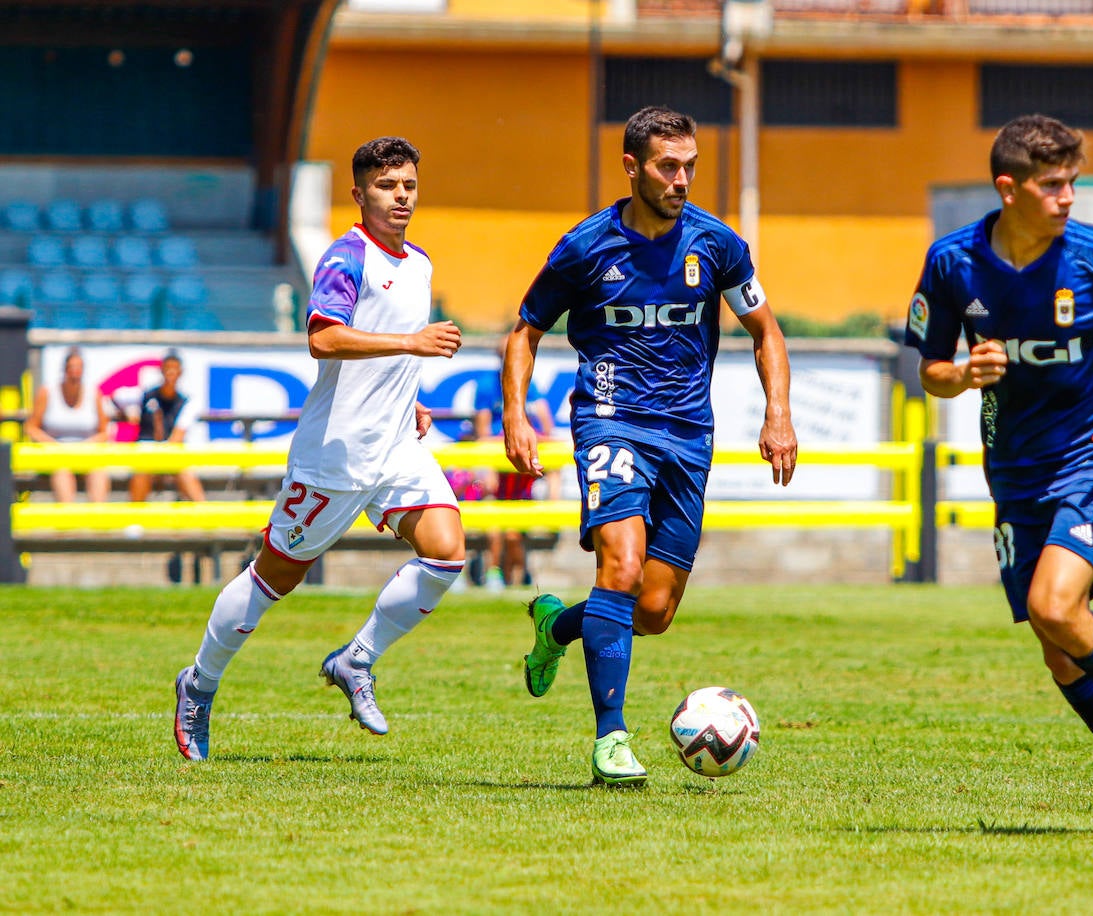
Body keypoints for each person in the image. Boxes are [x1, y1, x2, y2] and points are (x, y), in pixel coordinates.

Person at [904, 114, 1093, 832]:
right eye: (1053, 185)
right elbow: (930, 370)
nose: (1068, 198)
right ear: (1010, 189)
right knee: (1059, 653)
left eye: (1072, 183)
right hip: (1013, 468)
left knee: (1056, 605)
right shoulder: (953, 263)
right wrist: (964, 374)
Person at [502, 105, 797, 786]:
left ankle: (558, 629)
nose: (682, 179)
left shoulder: (717, 244)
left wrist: (777, 414)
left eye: (691, 165)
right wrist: (516, 415)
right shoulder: (584, 247)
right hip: (611, 420)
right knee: (622, 568)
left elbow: (766, 331)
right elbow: (525, 331)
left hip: (689, 434)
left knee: (655, 610)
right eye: (669, 165)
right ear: (632, 166)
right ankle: (611, 740)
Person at [173, 136, 468, 761]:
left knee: (446, 553)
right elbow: (324, 340)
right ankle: (199, 683)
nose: (402, 197)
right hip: (335, 454)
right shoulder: (345, 255)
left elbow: (386, 348)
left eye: (410, 185)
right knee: (275, 577)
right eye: (388, 187)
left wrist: (407, 390)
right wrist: (412, 346)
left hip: (394, 448)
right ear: (360, 195)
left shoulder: (420, 263)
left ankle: (356, 660)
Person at [472, 352, 556, 592]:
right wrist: (487, 467)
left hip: (518, 463)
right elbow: (482, 432)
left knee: (512, 533)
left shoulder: (528, 384)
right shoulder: (489, 385)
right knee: (499, 525)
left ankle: (514, 575)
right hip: (502, 460)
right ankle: (499, 573)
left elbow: (545, 421)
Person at [24, 347, 110, 503]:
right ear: (64, 370)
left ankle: (99, 521)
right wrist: (54, 445)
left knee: (99, 472)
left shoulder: (93, 393)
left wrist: (87, 445)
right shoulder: (48, 392)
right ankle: (68, 521)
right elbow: (31, 427)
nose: (75, 372)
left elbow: (105, 432)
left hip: (86, 453)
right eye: (71, 368)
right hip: (56, 453)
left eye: (78, 368)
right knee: (62, 471)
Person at [127, 350, 207, 504]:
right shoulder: (145, 395)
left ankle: (205, 516)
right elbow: (113, 399)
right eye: (167, 368)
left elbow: (176, 438)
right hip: (148, 451)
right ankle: (134, 522)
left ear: (180, 372)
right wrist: (127, 414)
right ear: (161, 371)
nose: (170, 373)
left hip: (169, 452)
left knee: (185, 471)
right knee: (142, 467)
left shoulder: (186, 402)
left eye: (174, 368)